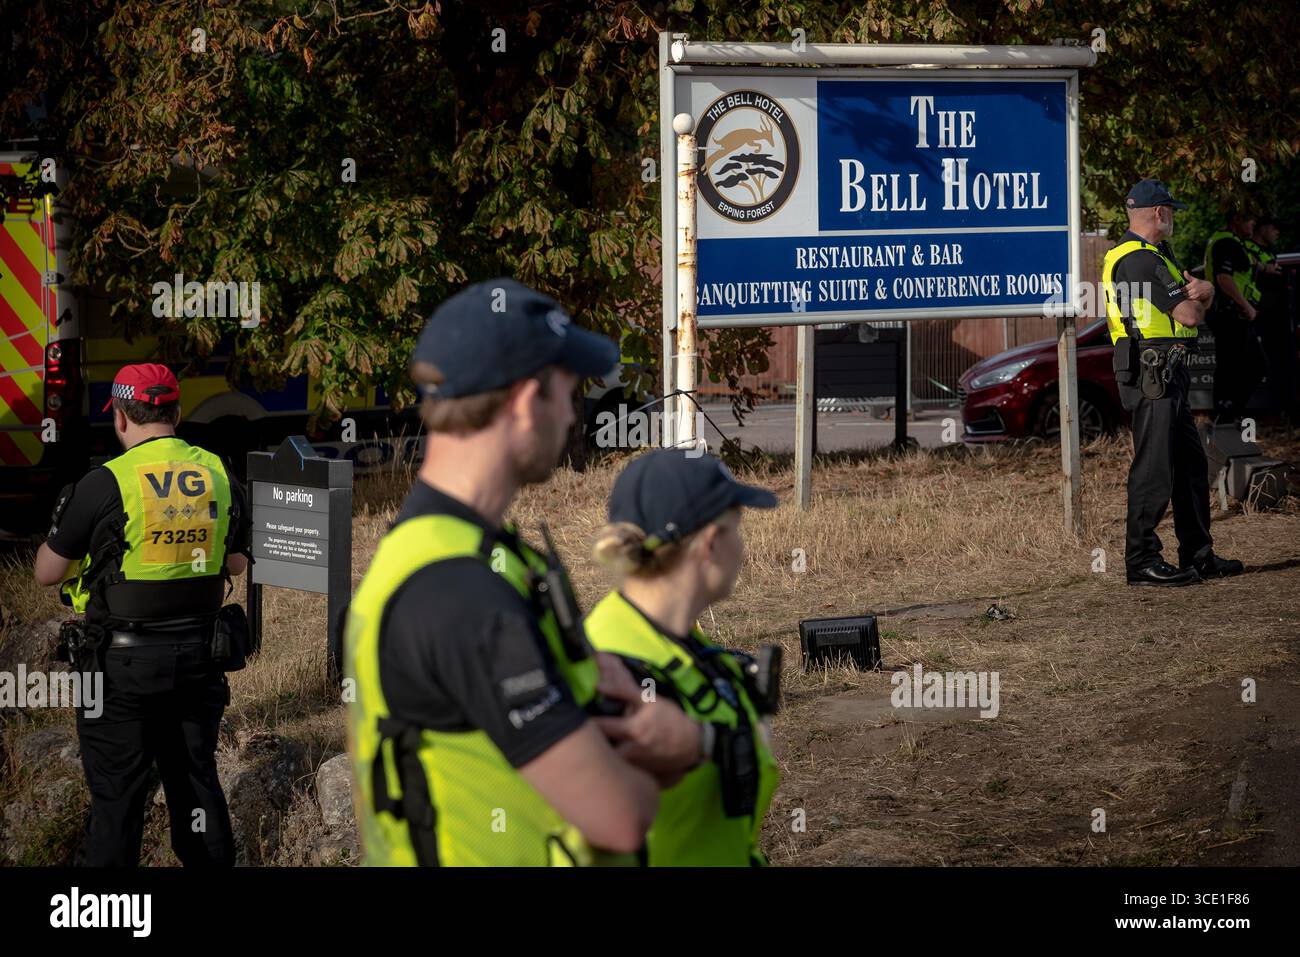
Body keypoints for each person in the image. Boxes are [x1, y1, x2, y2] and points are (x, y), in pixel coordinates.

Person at [344, 278, 697, 866]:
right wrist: (680, 744)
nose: (570, 416)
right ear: (524, 400)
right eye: (567, 392)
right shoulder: (460, 589)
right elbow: (621, 817)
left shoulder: (443, 550)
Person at [33, 362, 252, 866]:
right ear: (175, 412)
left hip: (119, 670)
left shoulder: (105, 482)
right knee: (197, 786)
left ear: (121, 420)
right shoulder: (218, 471)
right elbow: (236, 563)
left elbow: (47, 573)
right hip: (200, 659)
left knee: (117, 802)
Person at [584, 449, 782, 865]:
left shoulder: (673, 647)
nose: (742, 548)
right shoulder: (614, 675)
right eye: (736, 530)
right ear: (709, 544)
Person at [1101, 179, 1242, 585]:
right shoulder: (1140, 260)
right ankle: (1141, 560)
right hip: (1152, 372)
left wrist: (1205, 292)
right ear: (1159, 213)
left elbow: (1194, 304)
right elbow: (1190, 314)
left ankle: (1198, 556)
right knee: (1154, 467)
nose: (1174, 217)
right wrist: (1208, 290)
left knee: (1190, 464)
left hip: (1166, 370)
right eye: (1172, 210)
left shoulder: (1154, 254)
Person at [1204, 209, 1262, 423]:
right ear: (1236, 220)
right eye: (1250, 220)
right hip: (1228, 313)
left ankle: (1228, 415)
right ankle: (1225, 416)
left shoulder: (1230, 242)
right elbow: (1224, 278)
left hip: (1230, 313)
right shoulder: (1226, 243)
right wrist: (1246, 305)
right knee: (1242, 366)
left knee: (1238, 366)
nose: (1254, 224)